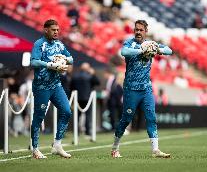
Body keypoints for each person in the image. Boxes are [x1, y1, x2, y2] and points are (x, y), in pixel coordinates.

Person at [111, 20, 172, 158]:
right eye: (136, 29)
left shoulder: (151, 44)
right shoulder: (129, 43)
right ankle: (115, 148)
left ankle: (155, 150)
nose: (138, 32)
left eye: (141, 30)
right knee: (126, 119)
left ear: (146, 31)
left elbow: (169, 50)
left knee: (151, 117)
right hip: (131, 89)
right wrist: (142, 50)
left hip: (146, 89)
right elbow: (124, 51)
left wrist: (156, 49)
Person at [30, 19, 73, 159]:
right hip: (41, 86)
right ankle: (35, 148)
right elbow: (33, 61)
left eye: (57, 30)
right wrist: (50, 65)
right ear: (46, 30)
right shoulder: (39, 44)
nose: (56, 32)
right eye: (53, 30)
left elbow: (71, 59)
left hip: (56, 85)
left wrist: (63, 60)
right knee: (39, 116)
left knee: (67, 111)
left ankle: (57, 145)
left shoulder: (59, 45)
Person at [71, 62, 100, 135]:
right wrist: (93, 74)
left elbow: (71, 87)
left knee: (77, 116)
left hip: (78, 98)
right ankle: (87, 131)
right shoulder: (90, 76)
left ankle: (76, 131)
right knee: (88, 115)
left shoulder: (75, 76)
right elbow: (97, 82)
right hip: (88, 98)